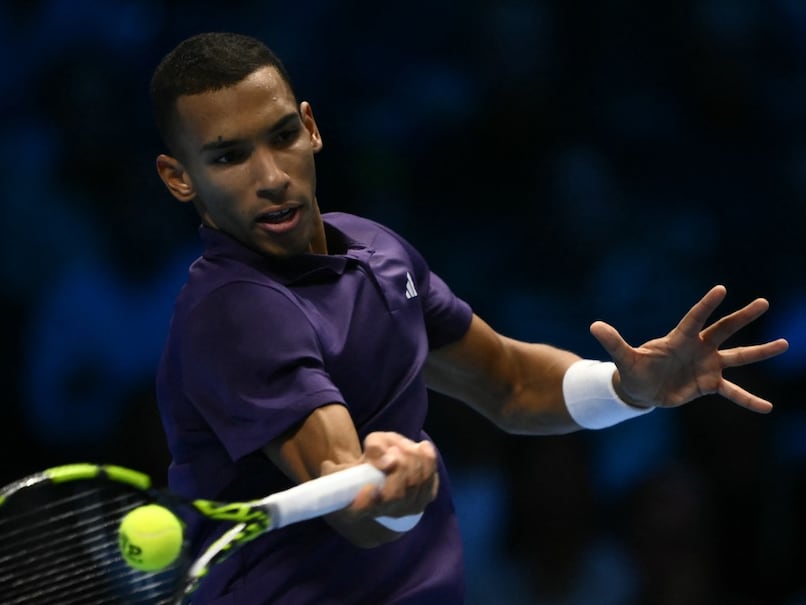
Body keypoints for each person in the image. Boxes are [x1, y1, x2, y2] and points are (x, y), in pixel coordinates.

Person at [150, 32, 788, 604]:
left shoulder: (376, 250)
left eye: (283, 135)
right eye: (228, 157)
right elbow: (354, 503)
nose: (270, 176)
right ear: (180, 179)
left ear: (312, 128)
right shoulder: (234, 313)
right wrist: (398, 494)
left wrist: (627, 389)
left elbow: (508, 383)